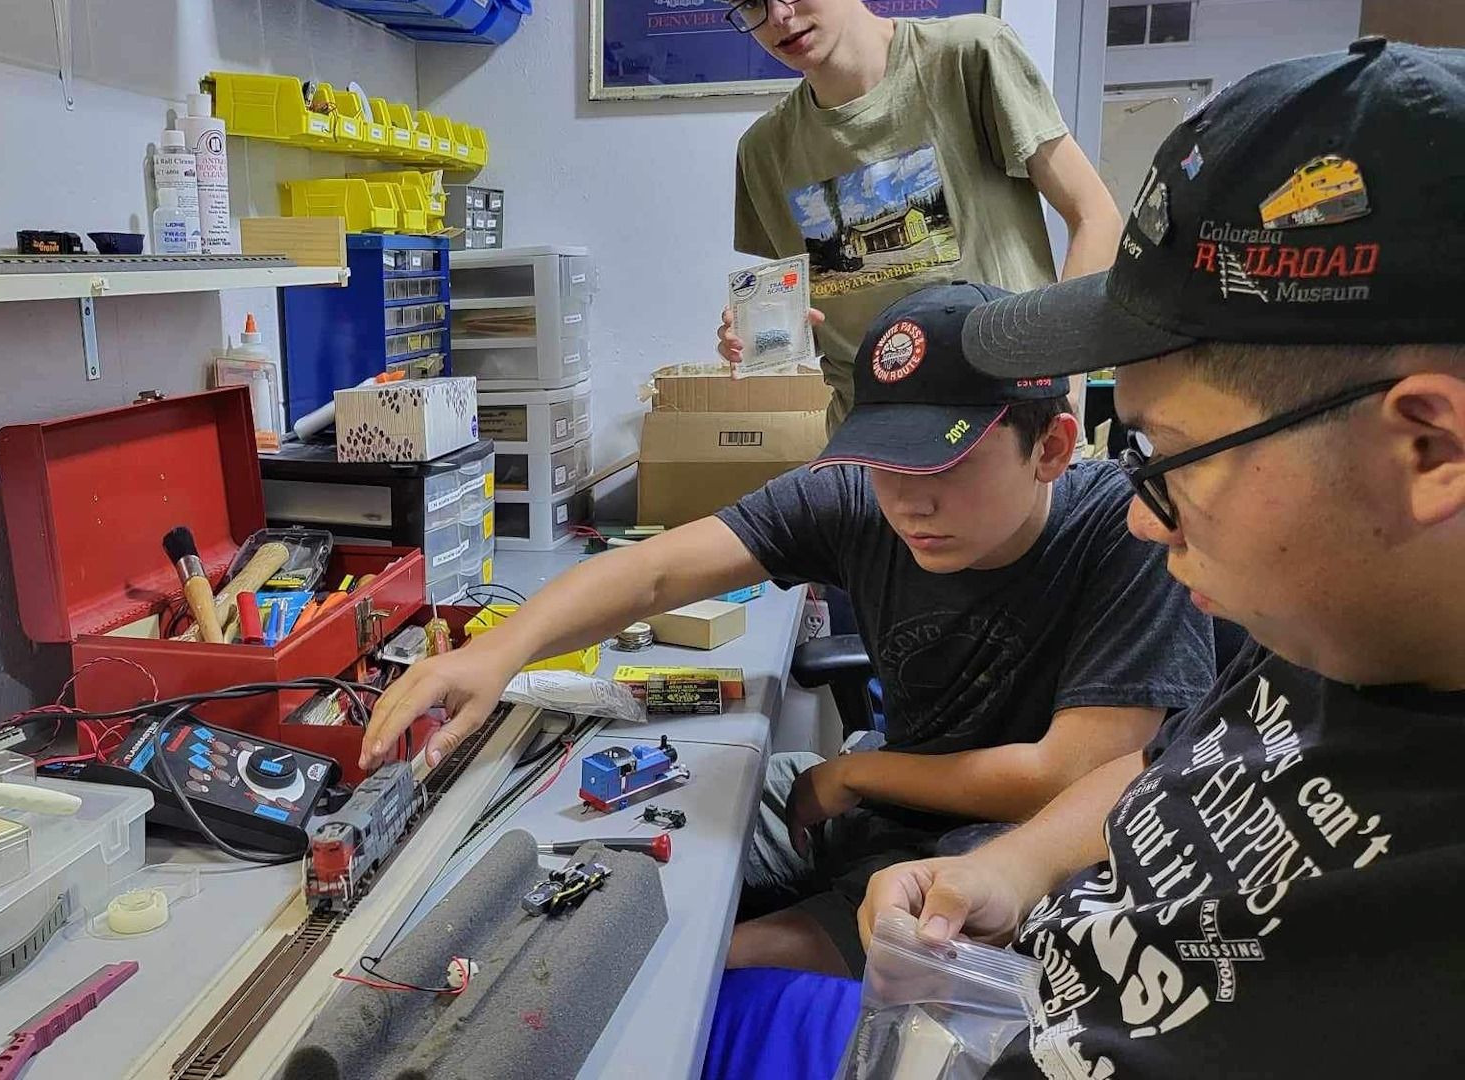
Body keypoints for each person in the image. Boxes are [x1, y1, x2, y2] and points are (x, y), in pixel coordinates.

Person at [857, 38, 1465, 1076]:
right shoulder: (1330, 631)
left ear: (1429, 448)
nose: (1142, 518)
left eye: (1166, 460)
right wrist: (1013, 867)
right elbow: (1175, 765)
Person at [361, 282, 1215, 976]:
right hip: (883, 807)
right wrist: (496, 651)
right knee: (604, 870)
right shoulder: (858, 500)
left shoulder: (1125, 534)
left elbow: (1069, 774)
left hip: (1010, 855)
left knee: (680, 967)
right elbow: (658, 568)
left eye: (947, 463)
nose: (909, 499)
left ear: (1054, 448)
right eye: (884, 461)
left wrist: (856, 774)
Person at [719, 0, 1121, 425]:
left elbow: (1095, 217)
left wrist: (1064, 383)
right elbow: (817, 311)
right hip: (870, 443)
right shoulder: (764, 150)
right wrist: (754, 333)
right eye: (750, 4)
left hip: (1010, 425)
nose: (779, 16)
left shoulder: (970, 54)